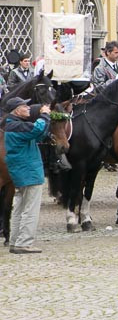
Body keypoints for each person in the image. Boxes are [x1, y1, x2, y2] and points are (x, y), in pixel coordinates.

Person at [4, 97, 52, 253]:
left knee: (19, 208)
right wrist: (44, 115)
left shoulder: (12, 125)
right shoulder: (17, 126)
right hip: (29, 172)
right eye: (25, 106)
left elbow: (39, 135)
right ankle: (24, 242)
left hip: (20, 172)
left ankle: (15, 240)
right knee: (30, 209)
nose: (29, 108)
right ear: (17, 110)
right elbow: (37, 129)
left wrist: (45, 122)